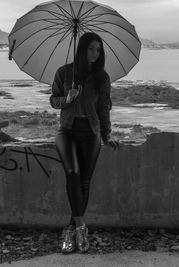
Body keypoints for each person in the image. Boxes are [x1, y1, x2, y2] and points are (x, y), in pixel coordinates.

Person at [49, 32, 120, 254]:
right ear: (82, 49)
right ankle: (81, 226)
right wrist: (67, 99)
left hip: (91, 133)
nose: (95, 53)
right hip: (67, 131)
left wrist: (107, 136)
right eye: (91, 48)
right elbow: (53, 100)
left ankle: (71, 230)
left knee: (84, 182)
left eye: (98, 50)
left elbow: (104, 108)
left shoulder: (102, 78)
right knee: (72, 173)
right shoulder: (64, 72)